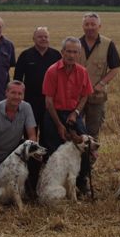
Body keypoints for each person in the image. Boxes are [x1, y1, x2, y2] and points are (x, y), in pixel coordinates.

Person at [42, 37, 93, 195]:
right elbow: (49, 102)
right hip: (53, 114)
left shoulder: (82, 72)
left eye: (75, 52)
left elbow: (85, 95)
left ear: (79, 54)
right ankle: (52, 185)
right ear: (62, 52)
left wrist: (76, 113)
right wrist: (58, 124)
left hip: (73, 113)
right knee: (53, 151)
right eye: (68, 51)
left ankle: (81, 181)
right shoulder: (52, 71)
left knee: (85, 147)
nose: (71, 55)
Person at [0, 80, 37, 189]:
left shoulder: (26, 107)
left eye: (19, 94)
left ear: (23, 95)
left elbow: (32, 136)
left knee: (33, 149)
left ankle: (31, 189)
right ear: (6, 93)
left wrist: (30, 153)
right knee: (4, 190)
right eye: (13, 93)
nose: (16, 97)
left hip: (15, 153)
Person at [77, 12, 120, 139]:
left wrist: (101, 84)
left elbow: (115, 68)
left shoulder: (108, 44)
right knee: (74, 132)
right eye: (87, 24)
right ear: (82, 26)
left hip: (96, 96)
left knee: (93, 133)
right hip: (76, 97)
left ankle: (90, 158)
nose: (90, 27)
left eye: (93, 24)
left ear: (99, 26)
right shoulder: (75, 44)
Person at [14, 26, 62, 140]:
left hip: (50, 102)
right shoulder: (25, 55)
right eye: (40, 37)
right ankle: (30, 158)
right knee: (30, 134)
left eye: (46, 37)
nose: (43, 39)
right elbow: (18, 79)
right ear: (34, 39)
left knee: (48, 135)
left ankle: (46, 157)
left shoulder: (56, 55)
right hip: (30, 102)